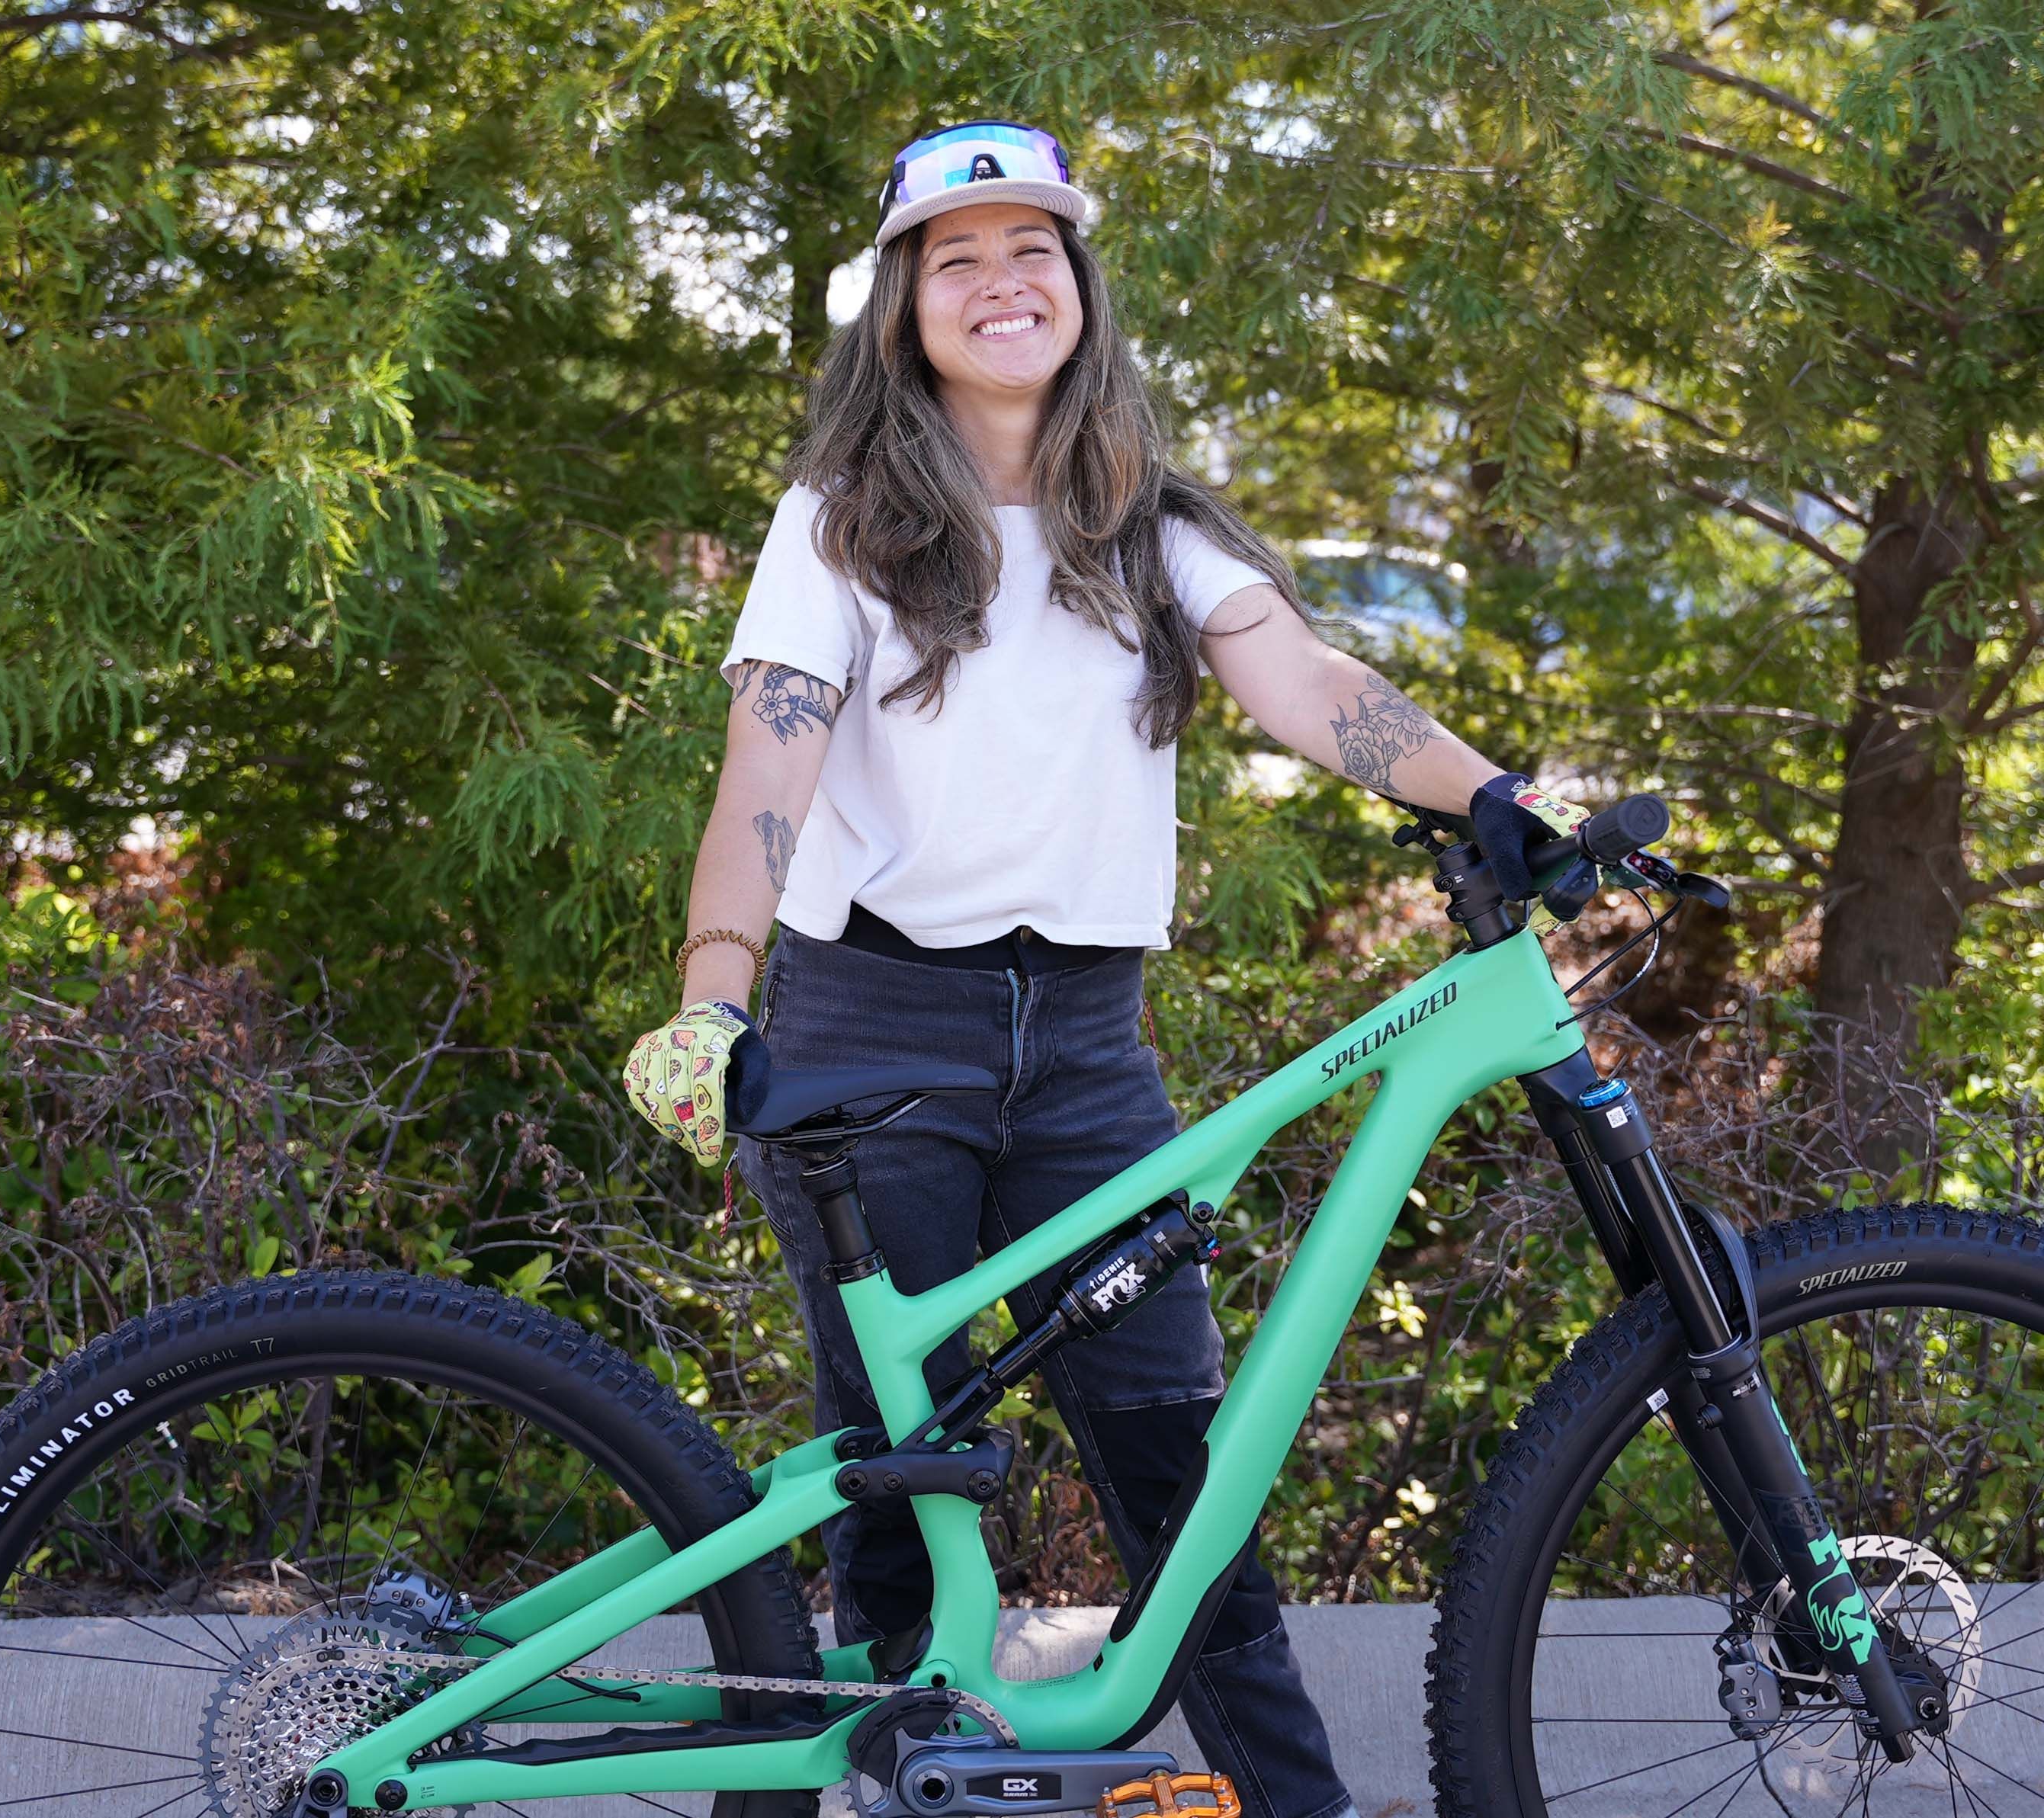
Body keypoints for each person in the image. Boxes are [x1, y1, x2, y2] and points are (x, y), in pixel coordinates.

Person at [620, 118, 1592, 1818]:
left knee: (1176, 1468)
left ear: (1079, 288)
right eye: (958, 257)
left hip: (1083, 1050)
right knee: (902, 1485)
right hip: (870, 1031)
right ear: (905, 308)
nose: (1003, 282)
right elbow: (764, 770)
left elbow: (1306, 685)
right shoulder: (841, 521)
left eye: (1033, 249)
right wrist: (711, 989)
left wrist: (1493, 792)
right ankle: (881, 1785)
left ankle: (1301, 1804)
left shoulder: (1147, 525)